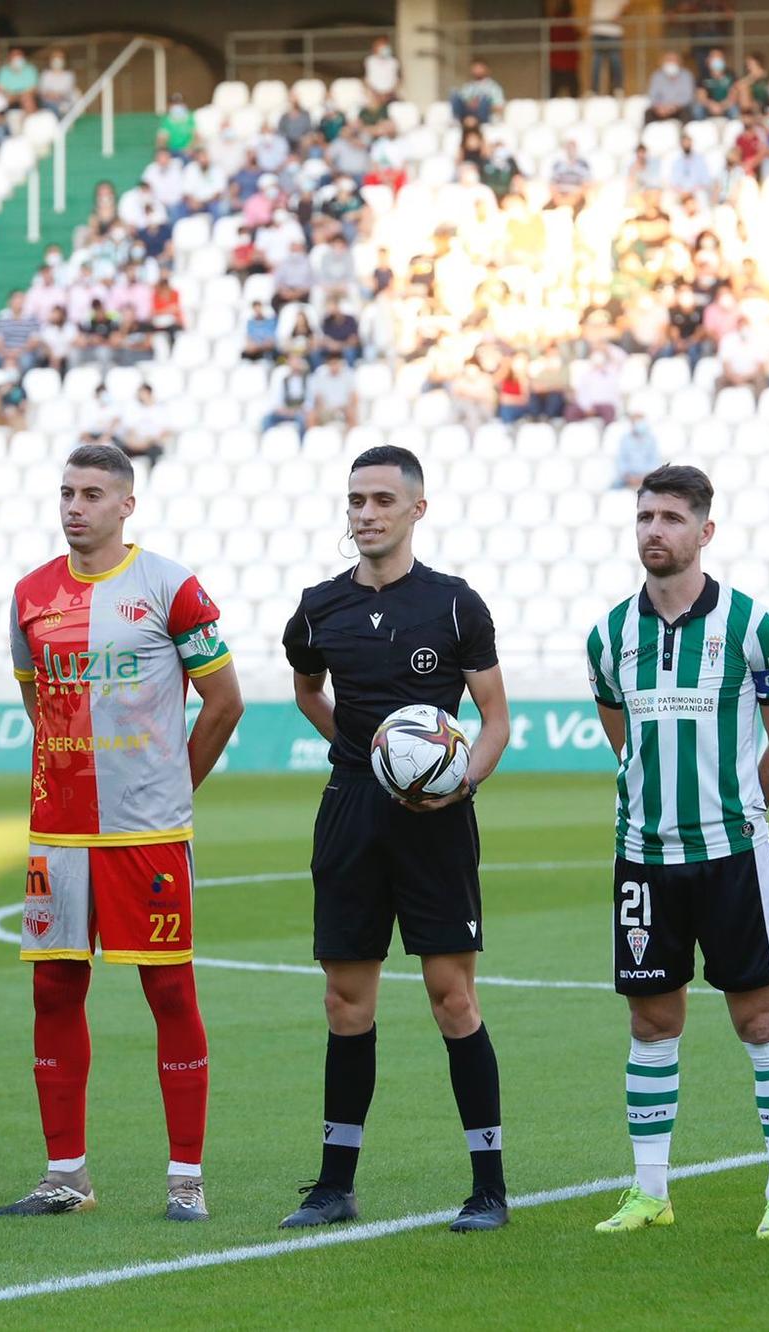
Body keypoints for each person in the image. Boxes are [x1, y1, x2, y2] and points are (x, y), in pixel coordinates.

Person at [0, 444, 243, 1223]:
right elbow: (42, 708)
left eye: (92, 493)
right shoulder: (30, 594)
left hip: (146, 833)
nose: (74, 506)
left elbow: (224, 702)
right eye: (66, 492)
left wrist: (170, 786)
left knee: (169, 989)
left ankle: (186, 1180)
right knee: (53, 989)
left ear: (126, 505)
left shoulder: (171, 587)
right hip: (58, 833)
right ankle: (66, 1176)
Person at [277, 445, 513, 1234]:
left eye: (382, 499)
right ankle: (334, 1186)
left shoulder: (453, 605)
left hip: (435, 826)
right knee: (346, 1003)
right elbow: (308, 690)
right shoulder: (317, 608)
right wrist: (361, 750)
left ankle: (488, 1187)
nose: (366, 513)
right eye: (355, 501)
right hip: (351, 813)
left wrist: (457, 781)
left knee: (453, 999)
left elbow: (496, 719)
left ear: (417, 508)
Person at [584, 464, 769, 1239]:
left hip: (734, 856)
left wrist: (738, 812)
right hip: (643, 859)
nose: (655, 530)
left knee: (760, 1018)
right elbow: (624, 739)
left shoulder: (753, 625)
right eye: (646, 516)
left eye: (672, 518)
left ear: (704, 531)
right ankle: (651, 1190)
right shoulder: (609, 634)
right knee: (651, 1023)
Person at [613, 411, 660, 488]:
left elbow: (654, 461)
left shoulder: (651, 439)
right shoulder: (625, 439)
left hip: (647, 478)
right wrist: (628, 477)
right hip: (627, 479)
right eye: (637, 422)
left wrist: (644, 477)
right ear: (632, 424)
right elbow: (621, 461)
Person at [449, 61, 506, 125]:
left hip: (483, 113)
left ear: (487, 70)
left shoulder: (494, 87)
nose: (477, 70)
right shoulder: (468, 86)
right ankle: (456, 120)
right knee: (454, 93)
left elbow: (500, 106)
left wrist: (481, 104)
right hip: (467, 113)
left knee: (484, 98)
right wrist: (470, 104)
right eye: (475, 68)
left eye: (480, 68)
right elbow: (462, 100)